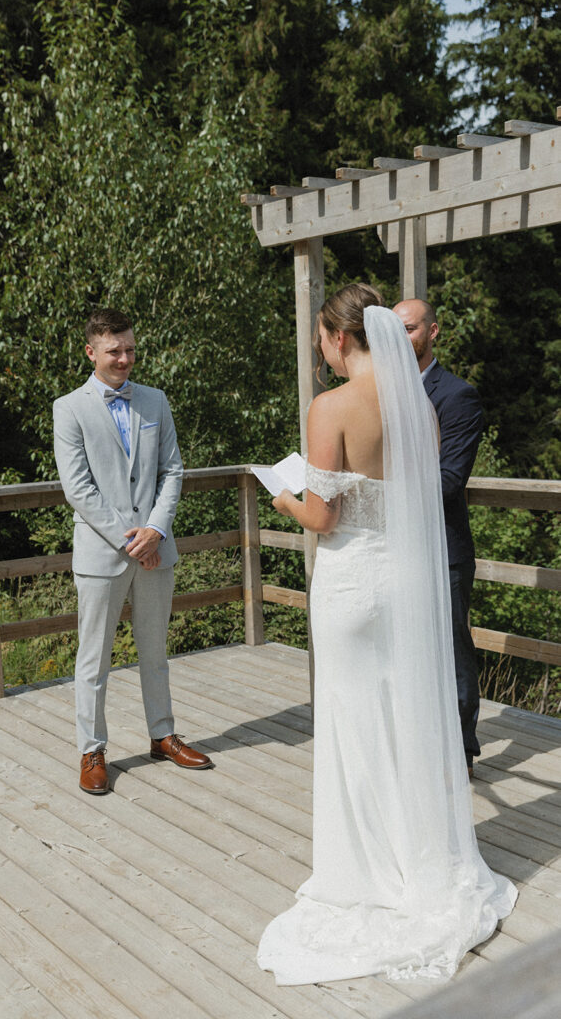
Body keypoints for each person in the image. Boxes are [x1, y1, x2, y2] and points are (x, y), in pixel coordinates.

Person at [257, 284, 515, 985]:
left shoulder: (329, 408)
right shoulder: (421, 413)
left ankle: (364, 869)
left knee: (352, 723)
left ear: (339, 339)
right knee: (405, 721)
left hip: (349, 586)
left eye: (319, 337)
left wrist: (277, 492)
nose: (320, 349)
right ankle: (419, 857)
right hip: (403, 582)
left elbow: (321, 519)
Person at [53, 307, 212, 795]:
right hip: (104, 554)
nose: (124, 359)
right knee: (93, 657)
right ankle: (92, 749)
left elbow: (173, 470)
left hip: (156, 547)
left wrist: (157, 531)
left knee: (155, 651)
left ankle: (162, 736)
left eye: (129, 349)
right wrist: (133, 538)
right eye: (114, 351)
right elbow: (78, 489)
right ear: (91, 352)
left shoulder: (155, 400)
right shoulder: (69, 407)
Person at [393, 299, 483, 778]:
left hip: (443, 547)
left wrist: (377, 486)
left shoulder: (457, 395)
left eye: (409, 329)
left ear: (433, 333)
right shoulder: (380, 393)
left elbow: (449, 480)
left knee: (451, 646)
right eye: (395, 330)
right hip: (393, 546)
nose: (401, 339)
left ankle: (464, 750)